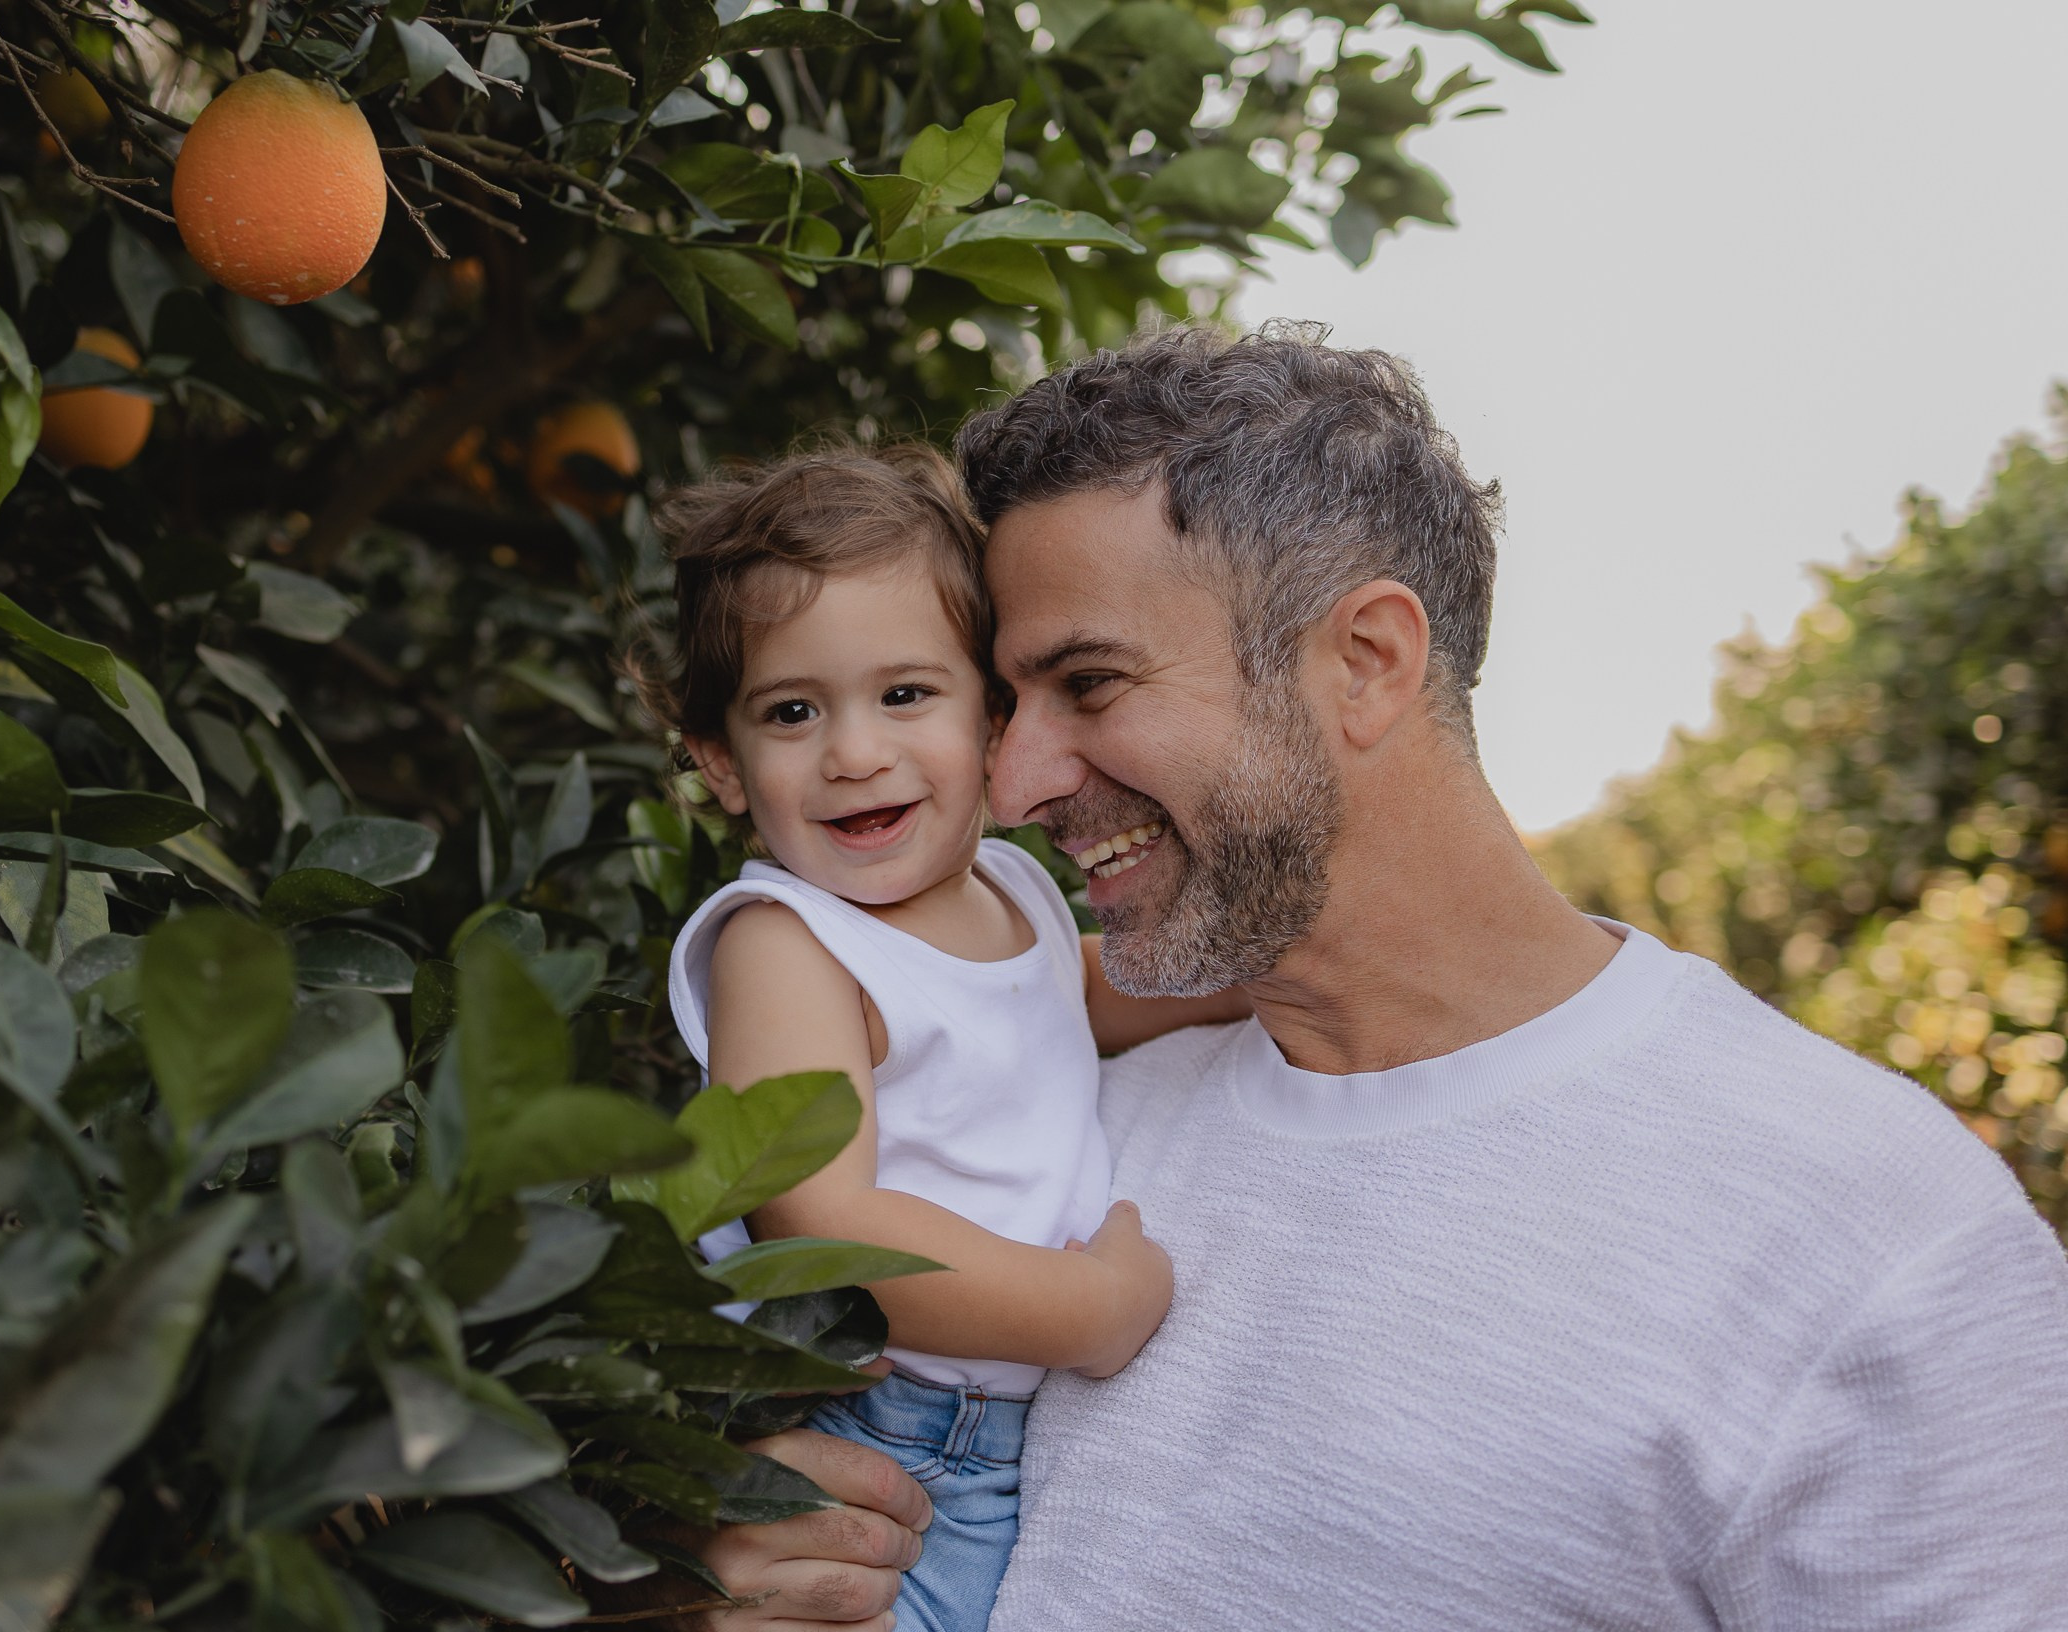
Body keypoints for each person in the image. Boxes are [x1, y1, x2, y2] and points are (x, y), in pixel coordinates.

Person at [676, 326, 2068, 1631]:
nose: (1017, 777)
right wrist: (742, 1573)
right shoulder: (1065, 1106)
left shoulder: (1879, 1249)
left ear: (1366, 662)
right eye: (1009, 702)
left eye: (1089, 686)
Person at [642, 445, 1247, 1632]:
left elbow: (1061, 994)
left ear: (993, 721)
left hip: (990, 1441)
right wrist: (1090, 1311)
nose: (854, 751)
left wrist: (1224, 985)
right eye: (792, 711)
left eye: (905, 695)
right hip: (876, 1433)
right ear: (721, 762)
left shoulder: (1011, 886)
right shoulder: (789, 944)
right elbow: (822, 1225)